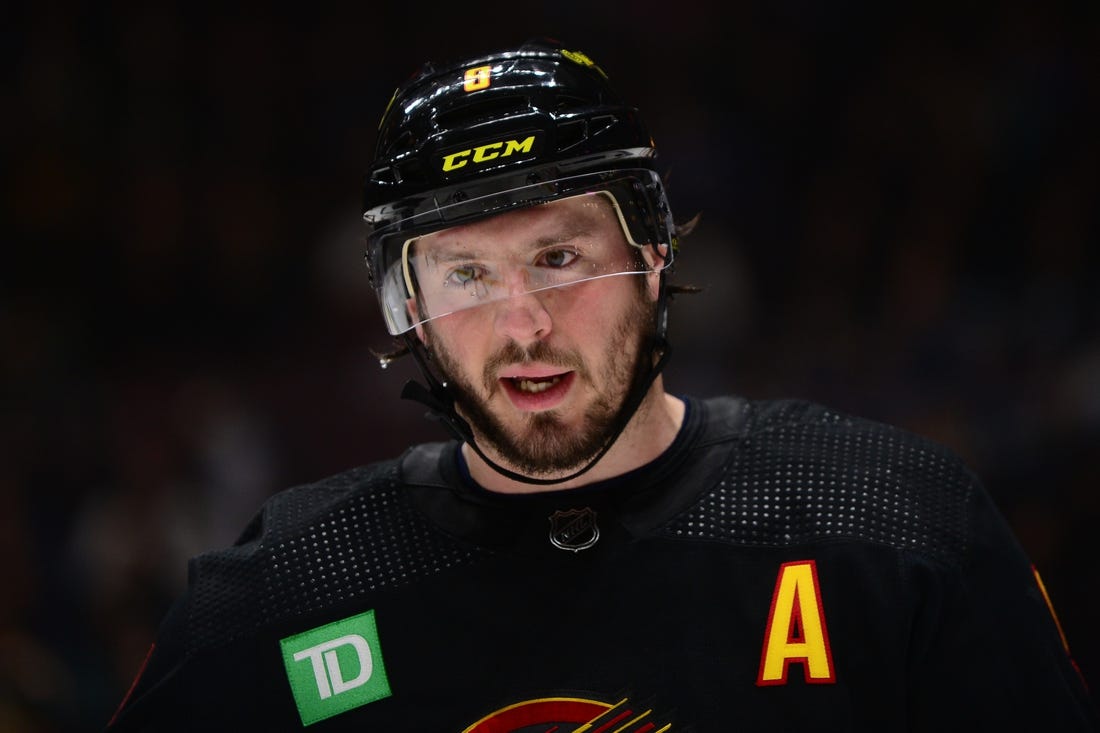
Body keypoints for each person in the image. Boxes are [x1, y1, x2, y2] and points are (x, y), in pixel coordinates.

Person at [105, 38, 1097, 731]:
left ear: (653, 251)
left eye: (561, 257)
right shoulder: (282, 594)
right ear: (402, 308)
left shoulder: (893, 525)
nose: (522, 324)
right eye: (464, 275)